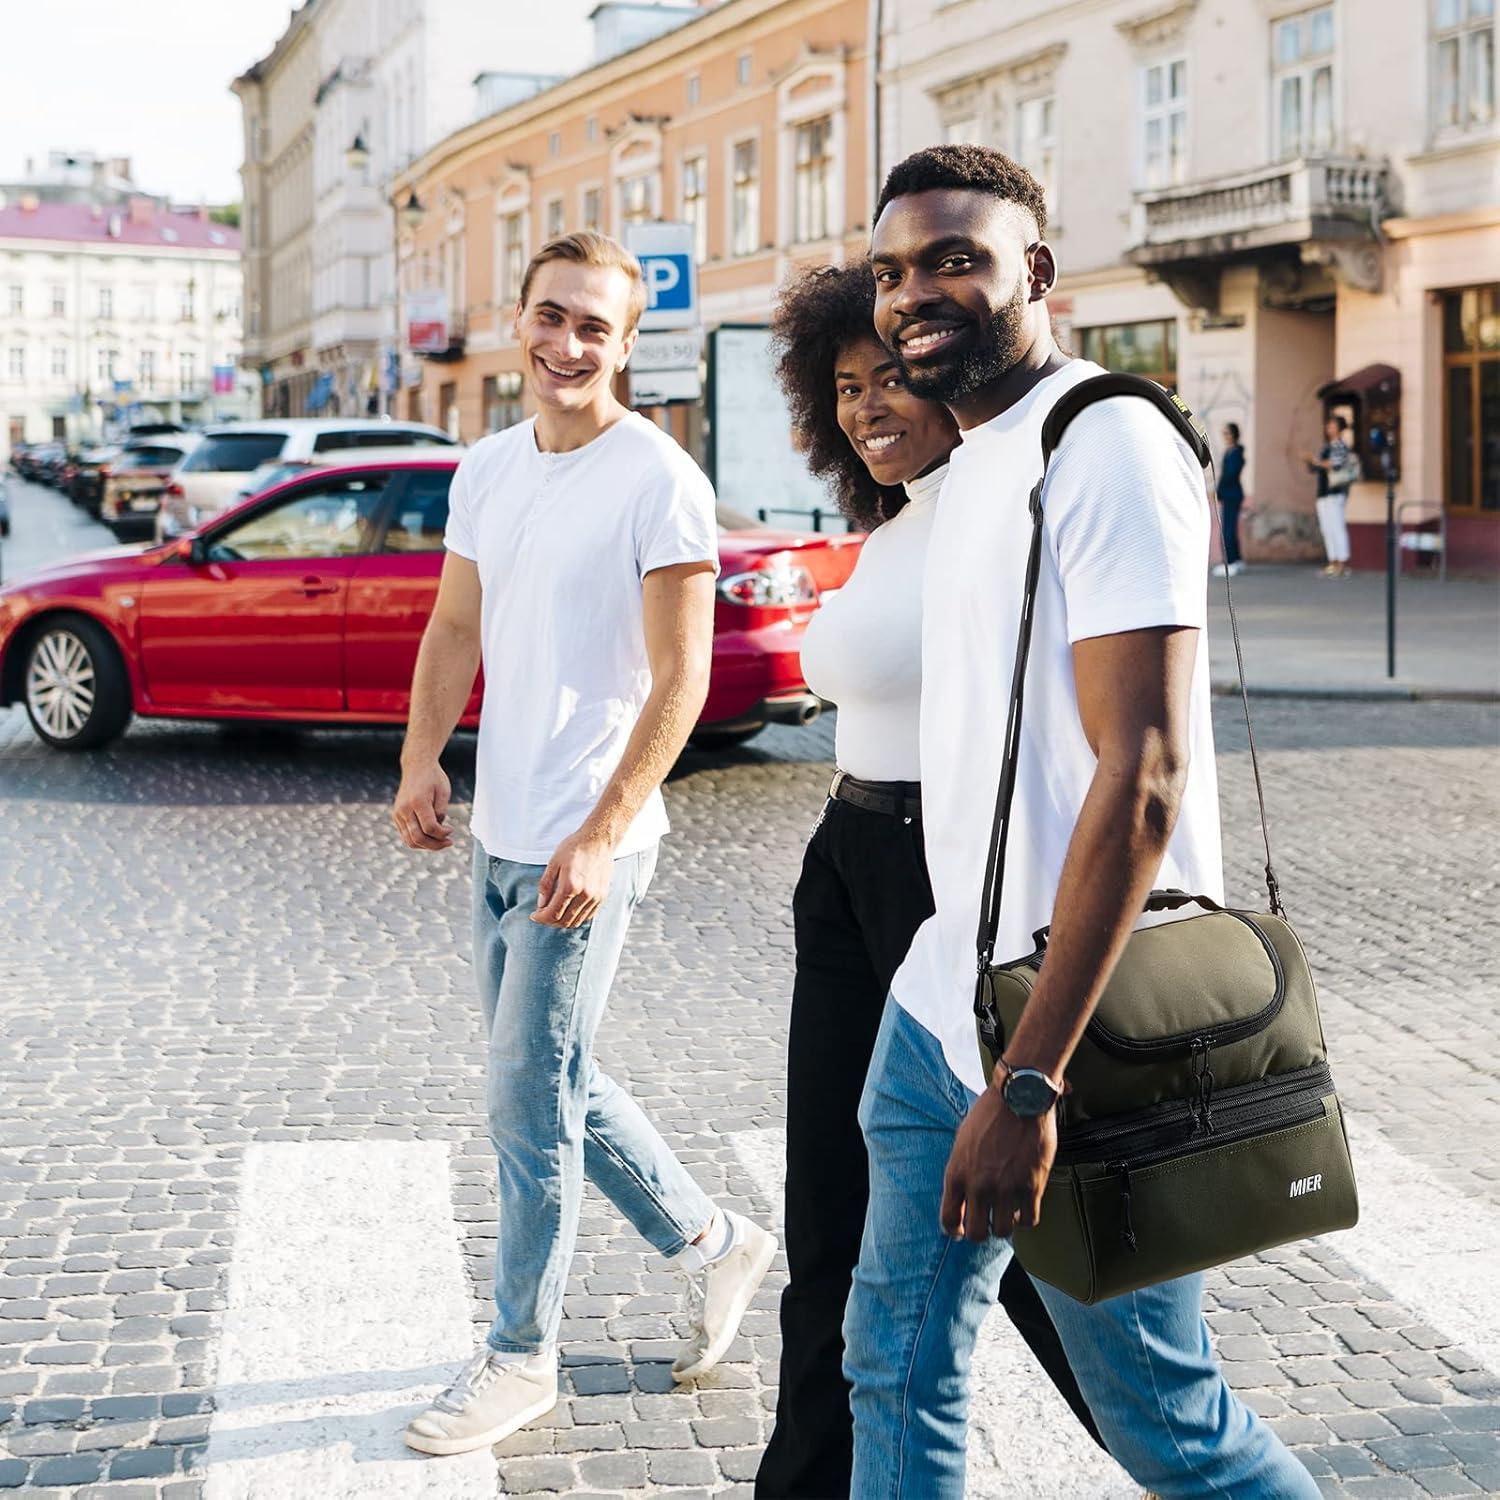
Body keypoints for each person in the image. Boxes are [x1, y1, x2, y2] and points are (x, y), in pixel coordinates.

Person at [842, 144, 1322, 1499]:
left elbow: (1146, 773)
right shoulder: (976, 452)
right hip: (943, 1005)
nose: (914, 292)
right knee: (891, 1361)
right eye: (891, 271)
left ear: (1036, 272)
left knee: (1171, 1430)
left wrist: (1036, 1080)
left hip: (1079, 1034)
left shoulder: (1103, 441)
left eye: (953, 258)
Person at [392, 231, 775, 1457]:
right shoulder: (488, 468)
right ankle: (717, 1245)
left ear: (624, 344)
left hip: (589, 843)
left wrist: (603, 833)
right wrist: (419, 758)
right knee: (554, 1077)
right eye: (551, 318)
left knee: (523, 1103)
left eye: (593, 329)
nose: (567, 346)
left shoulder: (658, 479)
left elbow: (682, 678)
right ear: (519, 320)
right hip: (501, 827)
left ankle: (520, 1357)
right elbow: (455, 628)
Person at [755, 265, 1104, 1498]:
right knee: (829, 1231)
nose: (865, 407)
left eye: (890, 377)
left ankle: (1177, 1447)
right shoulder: (899, 522)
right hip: (845, 867)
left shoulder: (997, 506)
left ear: (952, 371)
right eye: (843, 386)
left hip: (939, 876)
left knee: (1046, 1264)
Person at [1305, 415, 1356, 577]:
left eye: (1332, 425)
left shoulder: (1341, 446)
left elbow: (1335, 464)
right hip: (1323, 492)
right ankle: (1332, 561)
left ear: (1339, 428)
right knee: (1327, 528)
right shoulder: (1326, 447)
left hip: (1335, 492)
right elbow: (1317, 468)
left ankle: (1342, 562)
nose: (1328, 428)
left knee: (1337, 526)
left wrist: (1316, 461)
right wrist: (1310, 462)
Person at [1211, 421, 1247, 578]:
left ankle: (1231, 562)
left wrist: (1217, 492)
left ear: (1233, 435)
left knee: (1228, 530)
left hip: (1232, 495)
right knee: (1230, 529)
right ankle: (1237, 560)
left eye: (1226, 433)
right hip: (1230, 494)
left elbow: (1229, 476)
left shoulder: (1235, 453)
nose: (1224, 436)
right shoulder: (1230, 452)